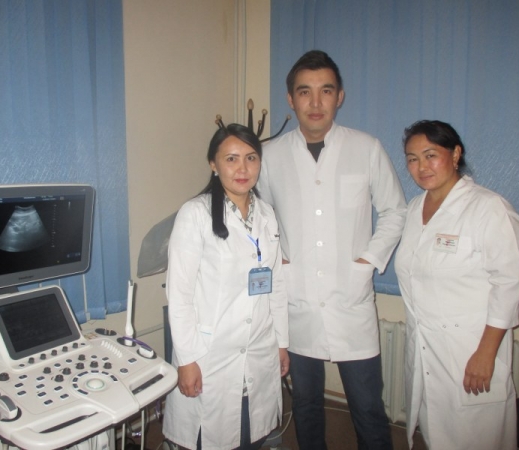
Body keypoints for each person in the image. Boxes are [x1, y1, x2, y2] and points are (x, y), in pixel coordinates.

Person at [257, 50, 406, 449]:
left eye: (326, 90)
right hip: (298, 303)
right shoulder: (270, 156)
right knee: (306, 404)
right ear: (291, 99)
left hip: (351, 301)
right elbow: (261, 219)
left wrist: (368, 261)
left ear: (340, 96)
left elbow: (395, 211)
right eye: (304, 91)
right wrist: (279, 261)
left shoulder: (366, 148)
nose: (315, 102)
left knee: (368, 408)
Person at [394, 120, 519, 449]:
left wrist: (486, 354)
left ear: (455, 155)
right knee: (436, 433)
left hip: (471, 349)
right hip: (425, 349)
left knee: (477, 436)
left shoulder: (489, 208)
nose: (421, 167)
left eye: (430, 155)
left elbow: (508, 284)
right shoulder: (414, 209)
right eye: (412, 159)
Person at [163, 123, 290, 450]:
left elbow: (276, 285)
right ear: (213, 164)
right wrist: (187, 360)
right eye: (231, 159)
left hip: (260, 346)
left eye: (251, 158)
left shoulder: (267, 214)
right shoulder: (195, 214)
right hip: (210, 354)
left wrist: (281, 342)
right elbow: (179, 296)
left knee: (252, 435)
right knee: (213, 437)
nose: (242, 168)